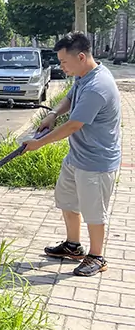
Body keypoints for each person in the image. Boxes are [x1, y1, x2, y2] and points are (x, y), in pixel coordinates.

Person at [23, 31, 121, 277]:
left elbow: (73, 125)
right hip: (77, 156)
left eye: (64, 62)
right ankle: (73, 246)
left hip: (96, 162)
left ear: (81, 57)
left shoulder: (98, 86)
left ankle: (97, 257)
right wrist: (52, 114)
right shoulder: (83, 76)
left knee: (94, 211)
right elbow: (69, 99)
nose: (61, 67)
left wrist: (39, 143)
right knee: (67, 201)